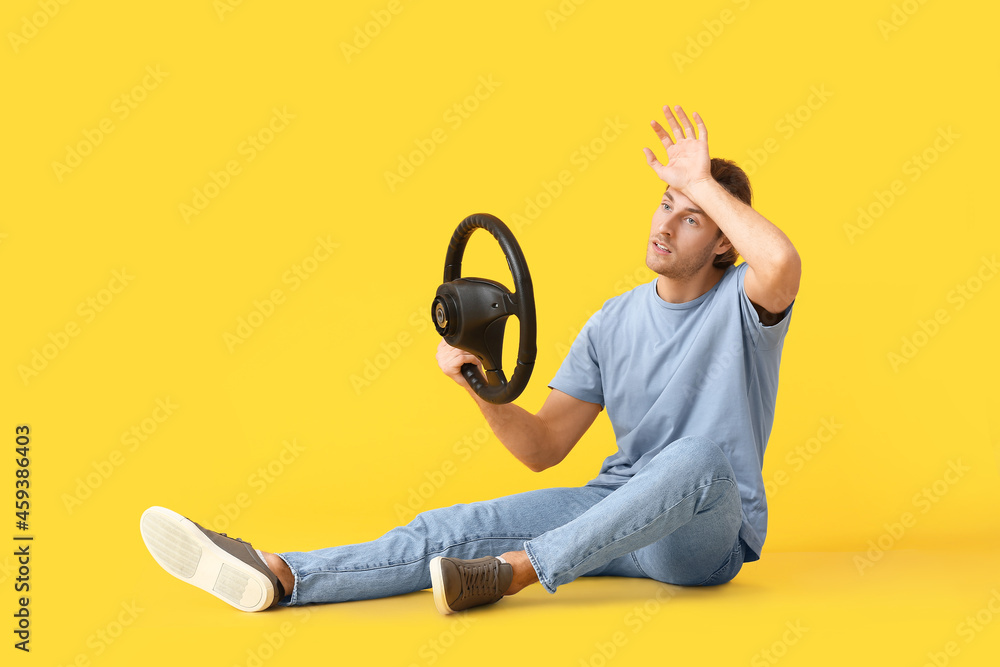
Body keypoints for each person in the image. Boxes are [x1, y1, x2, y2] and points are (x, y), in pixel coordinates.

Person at [140, 103, 800, 615]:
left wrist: (699, 180)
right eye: (665, 203)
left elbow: (782, 263)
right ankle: (285, 575)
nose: (664, 224)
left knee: (696, 458)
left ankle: (515, 572)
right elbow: (543, 447)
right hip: (613, 513)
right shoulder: (612, 320)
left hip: (702, 536)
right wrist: (477, 385)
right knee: (458, 526)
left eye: (691, 218)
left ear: (723, 243)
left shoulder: (743, 302)